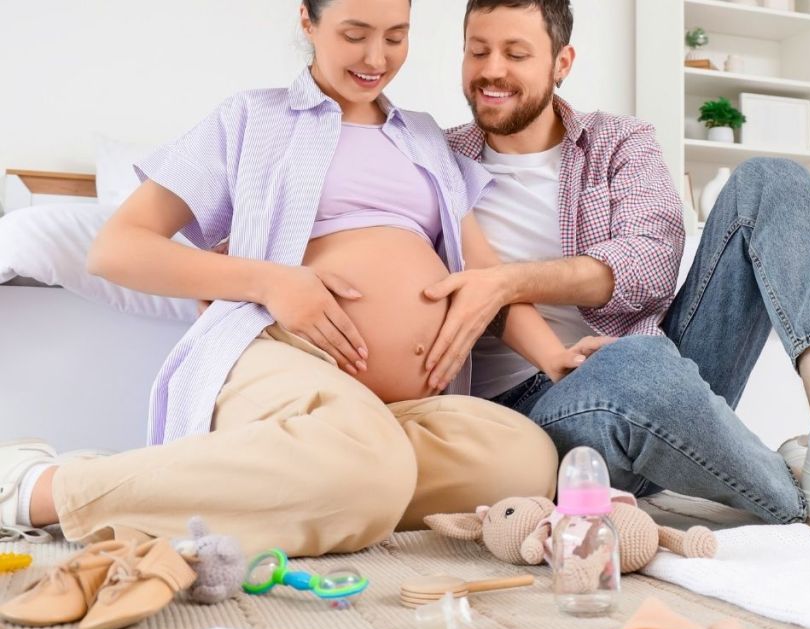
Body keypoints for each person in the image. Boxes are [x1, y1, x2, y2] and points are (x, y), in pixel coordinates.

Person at [425, 0, 810, 541]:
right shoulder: (438, 159)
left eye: (515, 53)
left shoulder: (618, 142)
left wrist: (508, 279)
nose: (491, 71)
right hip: (538, 409)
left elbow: (650, 268)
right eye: (477, 51)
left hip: (661, 366)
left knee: (774, 181)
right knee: (634, 364)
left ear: (562, 62)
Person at [0, 0, 572, 557]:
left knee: (523, 459)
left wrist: (553, 357)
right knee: (367, 465)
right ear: (308, 21)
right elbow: (117, 249)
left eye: (396, 36)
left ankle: (324, 481)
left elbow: (486, 276)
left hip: (397, 410)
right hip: (281, 352)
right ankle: (43, 488)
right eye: (354, 34)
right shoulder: (252, 118)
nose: (376, 56)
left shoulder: (424, 137)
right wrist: (271, 282)